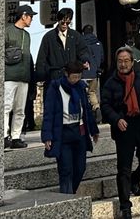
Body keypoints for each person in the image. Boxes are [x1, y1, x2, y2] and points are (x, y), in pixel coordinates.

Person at [103, 46, 140, 219]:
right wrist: (117, 119)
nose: (123, 64)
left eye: (126, 61)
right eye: (120, 61)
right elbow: (105, 106)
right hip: (123, 125)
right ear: (116, 63)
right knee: (124, 168)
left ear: (132, 62)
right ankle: (125, 206)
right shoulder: (110, 83)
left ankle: (134, 181)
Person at [41, 60, 100, 195]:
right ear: (66, 74)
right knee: (66, 168)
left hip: (79, 131)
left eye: (78, 77)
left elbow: (86, 111)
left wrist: (94, 130)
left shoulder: (80, 87)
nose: (76, 79)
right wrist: (47, 136)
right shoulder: (55, 88)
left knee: (80, 167)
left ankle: (70, 194)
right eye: (73, 77)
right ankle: (66, 197)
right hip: (63, 132)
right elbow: (49, 113)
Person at [3, 5, 35, 149]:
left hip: (24, 77)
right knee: (6, 106)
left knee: (20, 109)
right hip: (9, 76)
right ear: (23, 16)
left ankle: (16, 137)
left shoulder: (27, 35)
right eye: (30, 16)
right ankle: (3, 135)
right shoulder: (7, 31)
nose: (31, 19)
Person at [37, 7, 90, 83]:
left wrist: (85, 60)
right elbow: (42, 58)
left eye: (68, 23)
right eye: (62, 22)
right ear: (58, 21)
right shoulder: (49, 37)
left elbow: (83, 51)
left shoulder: (75, 35)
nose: (65, 25)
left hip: (72, 77)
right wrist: (41, 76)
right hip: (54, 77)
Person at [80, 24, 104, 115]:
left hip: (83, 73)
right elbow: (102, 58)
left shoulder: (80, 42)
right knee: (92, 92)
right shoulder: (98, 43)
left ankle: (84, 112)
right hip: (94, 73)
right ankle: (96, 107)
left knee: (82, 93)